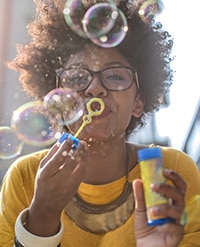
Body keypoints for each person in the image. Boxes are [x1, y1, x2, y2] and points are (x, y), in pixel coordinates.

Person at [0, 0, 200, 246]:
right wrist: (42, 215)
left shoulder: (168, 170)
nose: (95, 89)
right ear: (56, 102)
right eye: (76, 77)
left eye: (115, 76)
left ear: (139, 101)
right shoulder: (26, 177)